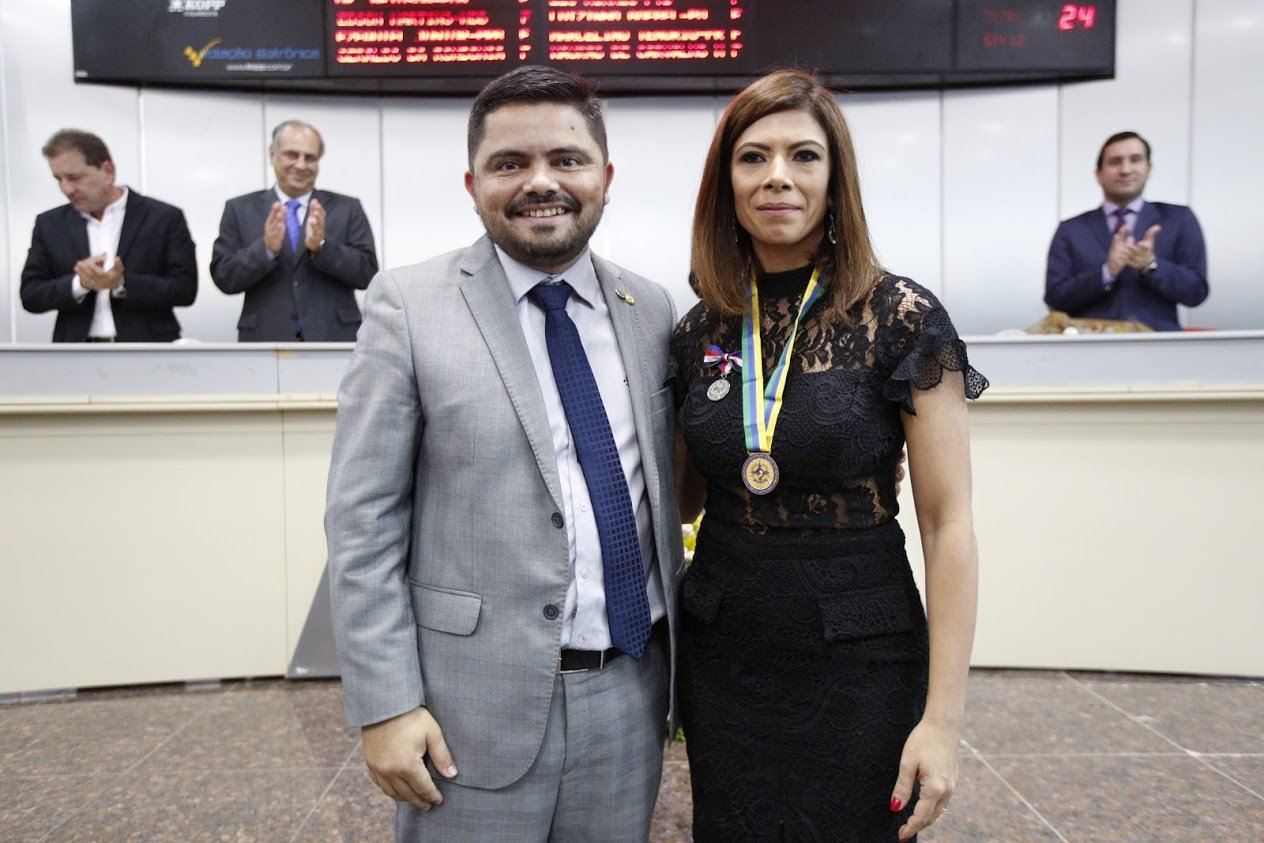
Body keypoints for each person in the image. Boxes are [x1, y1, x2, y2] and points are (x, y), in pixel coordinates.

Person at [324, 66, 682, 841]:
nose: (540, 183)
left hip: (629, 697)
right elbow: (362, 523)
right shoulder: (408, 305)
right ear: (473, 181)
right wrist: (385, 703)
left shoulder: (651, 308)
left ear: (606, 177)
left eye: (567, 159)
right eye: (510, 163)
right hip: (464, 711)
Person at [670, 69, 985, 841]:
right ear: (727, 182)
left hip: (860, 653)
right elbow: (681, 500)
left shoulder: (899, 315)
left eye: (803, 156)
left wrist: (942, 721)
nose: (777, 175)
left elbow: (950, 526)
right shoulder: (699, 328)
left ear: (835, 177)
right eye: (754, 157)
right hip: (726, 649)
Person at [20, 129, 197, 342]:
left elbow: (185, 289)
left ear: (108, 171)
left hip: (147, 352)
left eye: (75, 178)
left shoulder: (163, 217)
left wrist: (121, 283)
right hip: (75, 354)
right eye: (58, 179)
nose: (66, 189)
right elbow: (30, 295)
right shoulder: (50, 223)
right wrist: (81, 283)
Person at [211, 120, 378, 341]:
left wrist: (322, 247)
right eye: (292, 155)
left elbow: (367, 274)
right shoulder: (239, 209)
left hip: (333, 337)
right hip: (266, 338)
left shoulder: (347, 208)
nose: (301, 165)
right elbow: (224, 277)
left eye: (310, 158)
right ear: (272, 155)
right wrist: (266, 249)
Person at [1045, 131, 1208, 331]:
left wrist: (1151, 266)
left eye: (1135, 159)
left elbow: (1196, 292)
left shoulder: (1178, 219)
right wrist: (1107, 272)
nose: (1125, 169)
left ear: (1148, 169)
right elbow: (1055, 299)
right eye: (1115, 162)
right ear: (1098, 174)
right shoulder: (1071, 229)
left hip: (1159, 347)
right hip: (1089, 348)